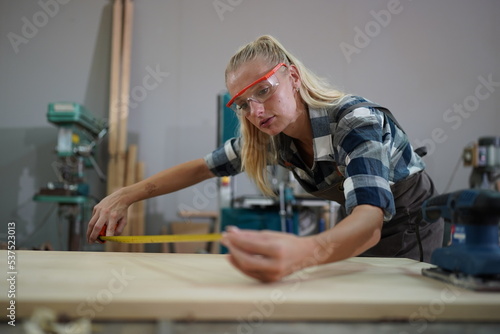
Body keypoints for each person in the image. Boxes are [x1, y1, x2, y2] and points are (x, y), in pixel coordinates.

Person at [87, 35, 444, 283]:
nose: (255, 111)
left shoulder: (354, 122)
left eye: (263, 90)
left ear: (292, 76)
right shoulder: (274, 137)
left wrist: (304, 252)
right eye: (243, 103)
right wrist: (123, 196)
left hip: (409, 224)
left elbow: (369, 221)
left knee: (400, 313)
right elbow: (201, 167)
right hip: (356, 225)